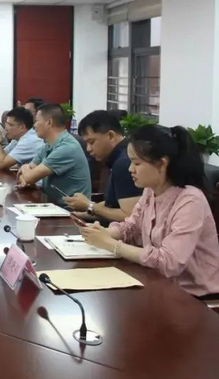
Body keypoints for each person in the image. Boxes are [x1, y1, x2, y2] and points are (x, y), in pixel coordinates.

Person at [80, 125, 219, 297]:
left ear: (162, 164)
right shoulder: (151, 191)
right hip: (160, 285)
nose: (131, 169)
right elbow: (131, 227)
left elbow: (169, 262)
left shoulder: (190, 200)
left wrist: (111, 245)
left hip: (195, 297)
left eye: (137, 163)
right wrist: (103, 233)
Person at [64, 110, 142, 222]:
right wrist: (86, 213)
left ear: (111, 136)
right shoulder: (119, 157)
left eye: (92, 142)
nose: (88, 149)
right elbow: (113, 204)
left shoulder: (124, 163)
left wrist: (89, 206)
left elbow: (129, 216)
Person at [18, 103, 91, 205]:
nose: (34, 125)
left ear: (49, 122)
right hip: (51, 204)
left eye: (37, 121)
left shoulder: (66, 147)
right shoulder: (49, 144)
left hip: (69, 211)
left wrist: (24, 167)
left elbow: (29, 177)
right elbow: (24, 176)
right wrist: (27, 175)